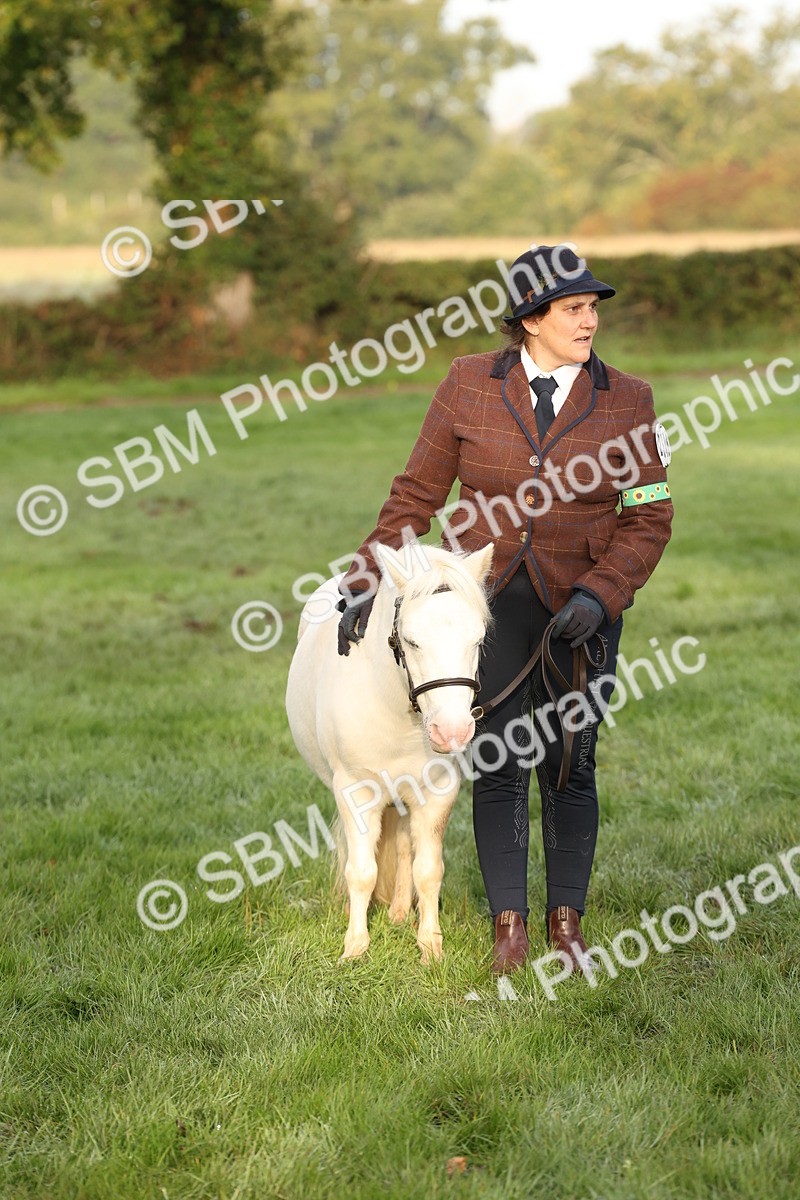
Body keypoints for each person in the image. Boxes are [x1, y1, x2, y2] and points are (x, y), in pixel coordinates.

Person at [336, 245, 673, 976]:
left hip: (581, 610)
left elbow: (649, 517)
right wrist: (362, 577)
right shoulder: (467, 384)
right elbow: (416, 496)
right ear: (529, 318)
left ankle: (567, 924)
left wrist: (601, 594)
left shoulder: (630, 399)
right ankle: (509, 930)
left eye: (593, 308)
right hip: (482, 609)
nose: (590, 321)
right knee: (498, 765)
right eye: (574, 309)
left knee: (570, 764)